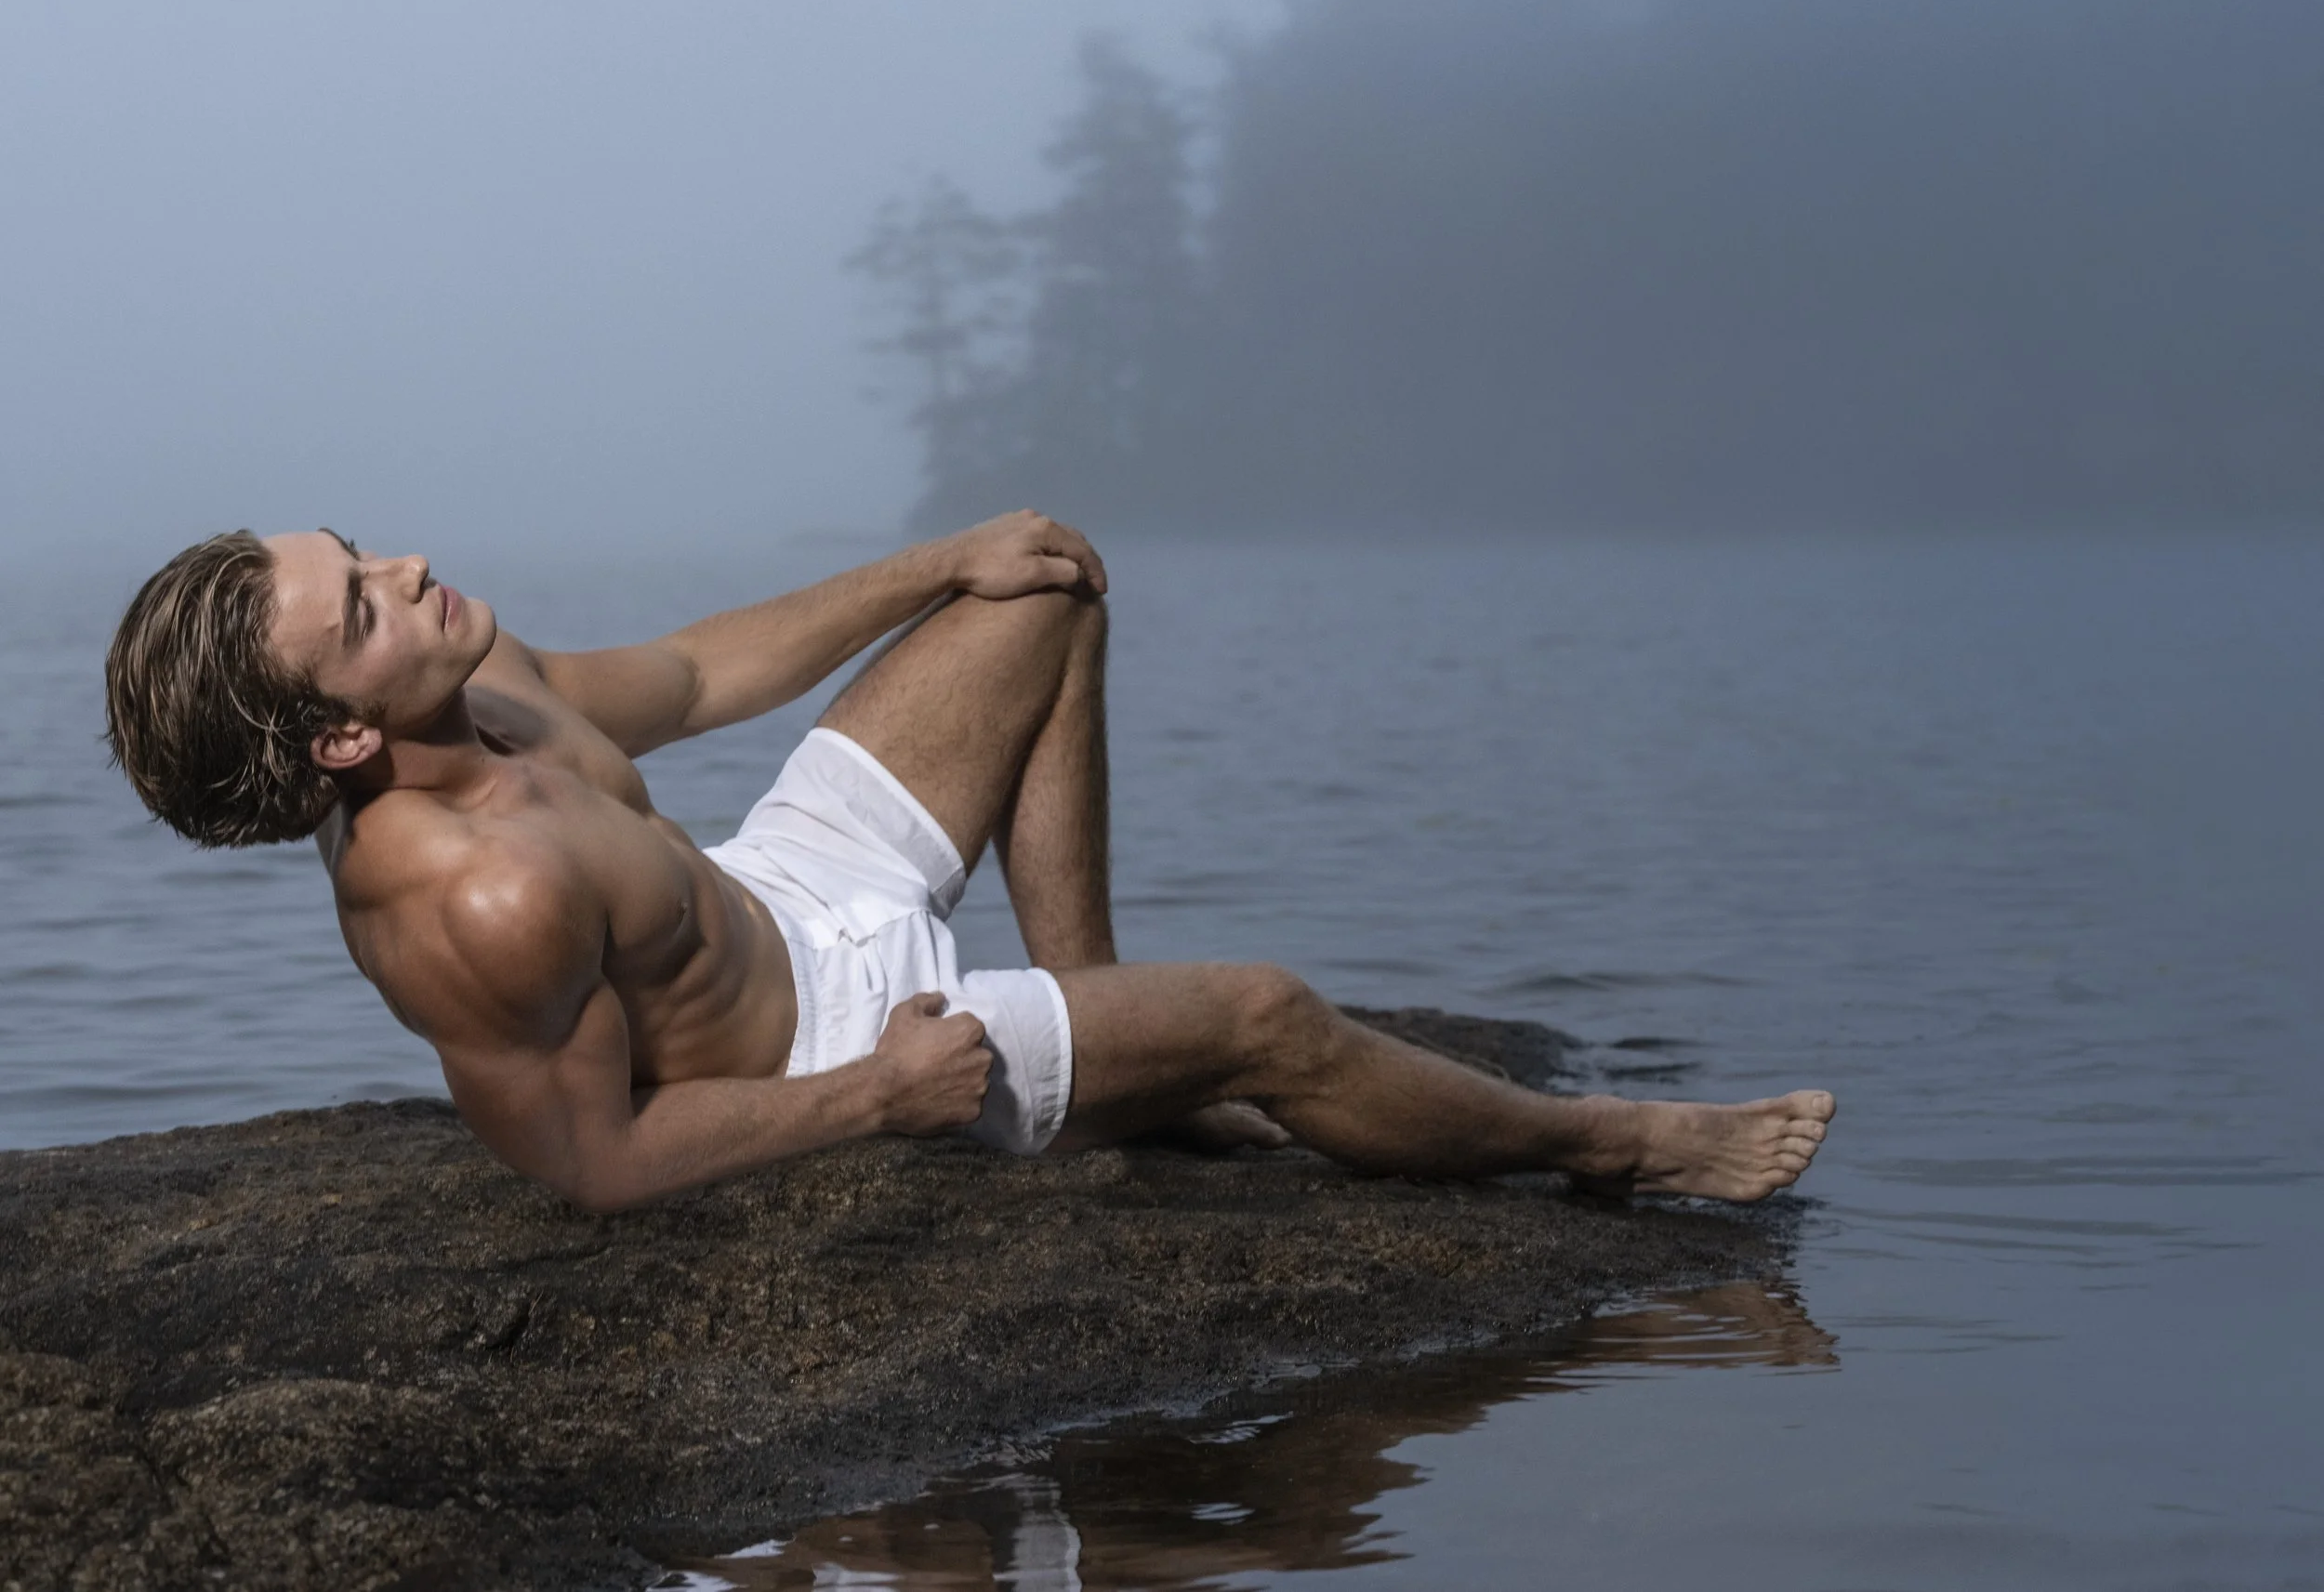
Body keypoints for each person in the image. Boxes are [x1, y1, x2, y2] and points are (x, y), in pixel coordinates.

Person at [102, 511, 1833, 1213]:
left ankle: (1101, 1036)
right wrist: (880, 1099)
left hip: (785, 884)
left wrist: (947, 554)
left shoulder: (473, 677)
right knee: (1271, 1015)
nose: (409, 564)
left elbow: (704, 674)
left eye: (363, 548)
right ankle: (1625, 1144)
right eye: (364, 601)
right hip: (847, 1030)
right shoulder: (461, 900)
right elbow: (596, 1161)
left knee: (1042, 588)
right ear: (337, 736)